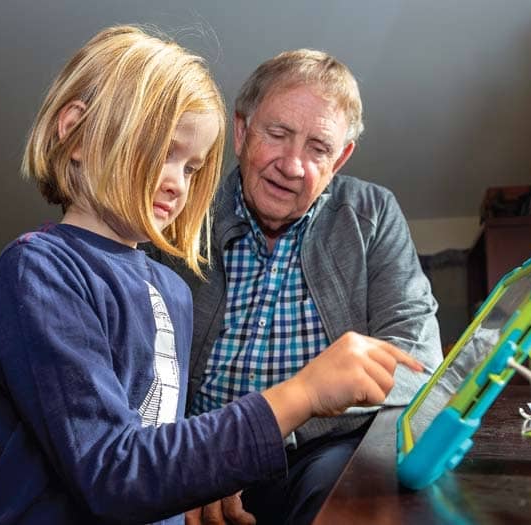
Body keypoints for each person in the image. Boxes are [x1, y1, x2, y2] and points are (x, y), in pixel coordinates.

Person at [0, 26, 425, 525]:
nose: (177, 183)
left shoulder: (169, 291)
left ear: (339, 159)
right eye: (162, 150)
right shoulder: (42, 271)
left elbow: (154, 439)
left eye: (192, 168)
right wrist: (296, 399)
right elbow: (115, 466)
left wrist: (212, 462)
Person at [147, 49, 443, 525]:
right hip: (199, 449)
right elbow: (141, 367)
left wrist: (260, 437)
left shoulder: (373, 214)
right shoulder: (182, 209)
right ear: (242, 133)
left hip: (324, 450)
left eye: (318, 148)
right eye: (278, 134)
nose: (293, 165)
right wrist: (198, 460)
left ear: (340, 157)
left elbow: (415, 360)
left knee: (352, 495)